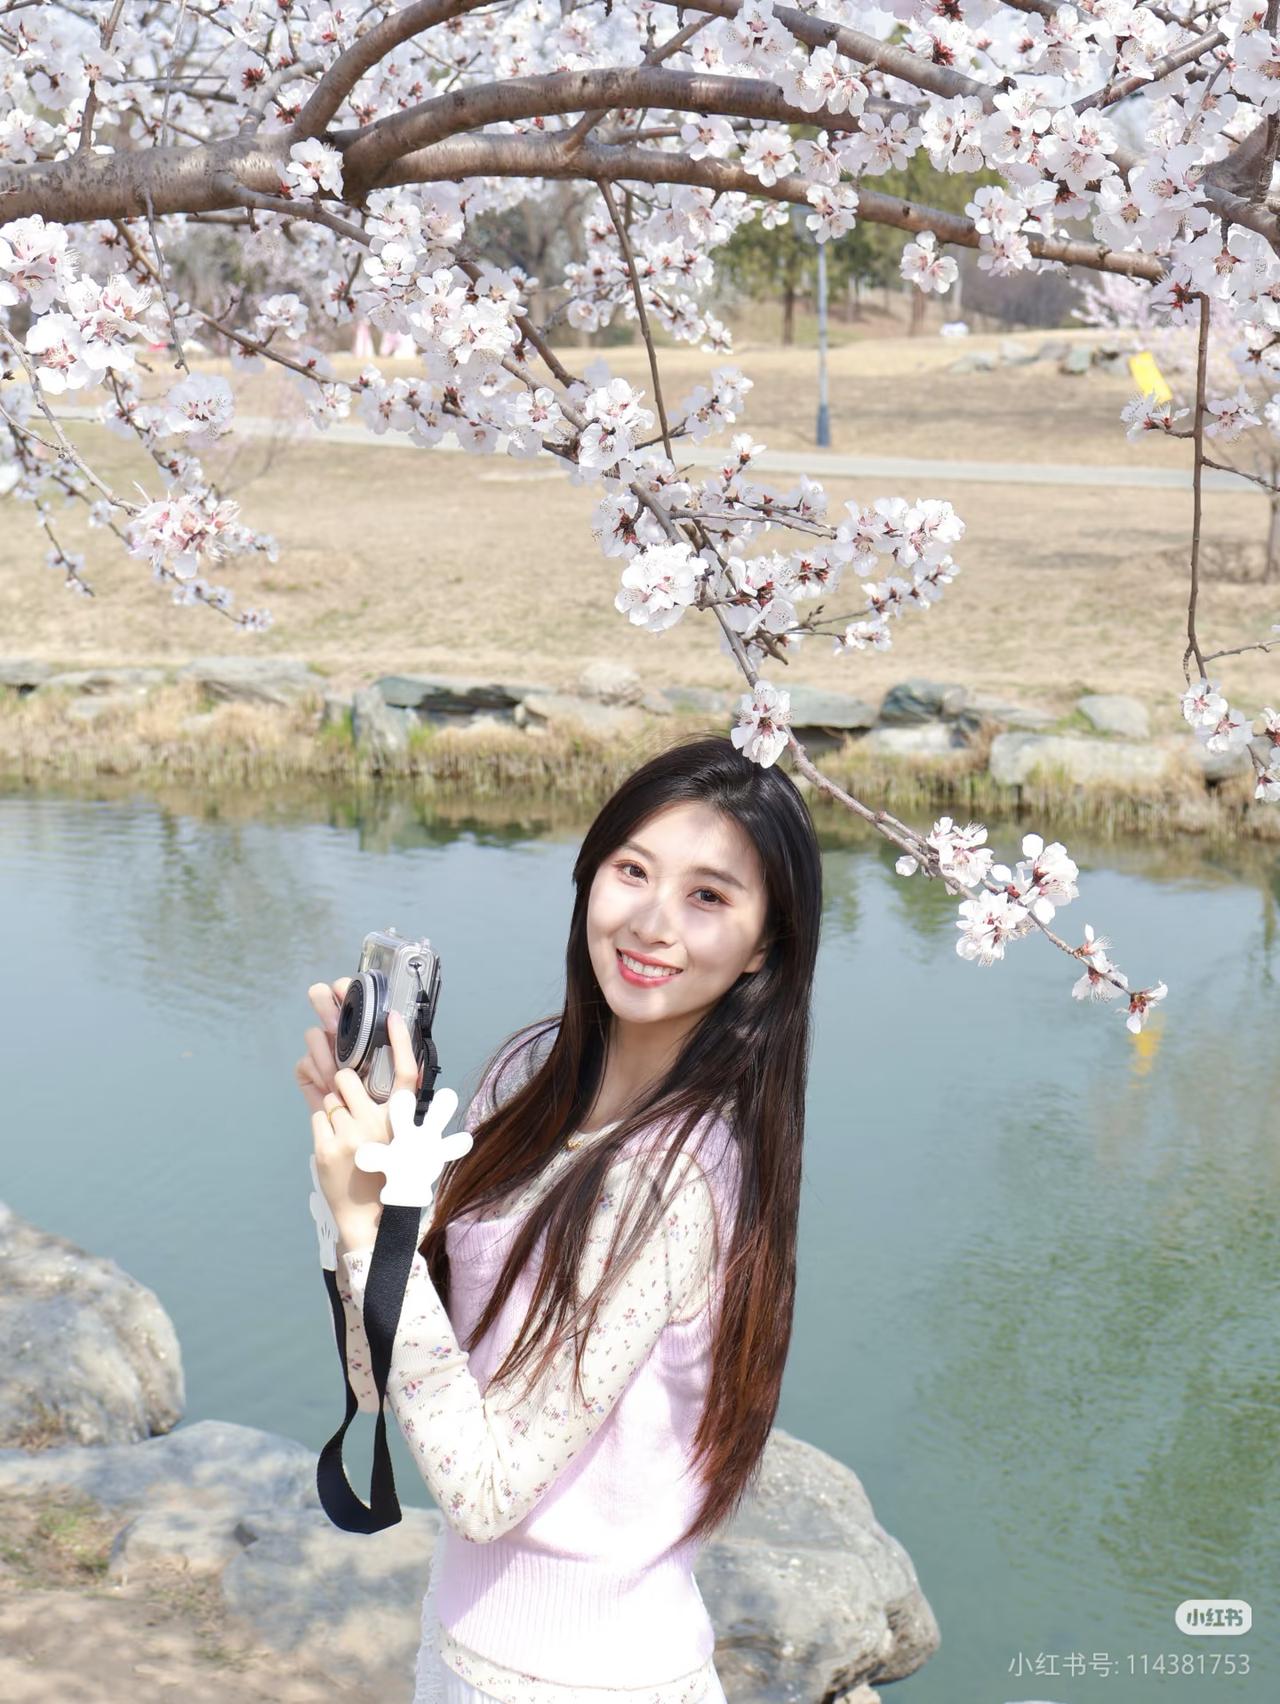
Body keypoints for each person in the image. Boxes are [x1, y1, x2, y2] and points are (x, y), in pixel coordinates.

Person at [297, 733, 823, 1702]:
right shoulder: (531, 1076)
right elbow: (385, 1381)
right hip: (460, 1648)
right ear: (589, 878)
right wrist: (360, 1171)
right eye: (632, 871)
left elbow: (486, 1490)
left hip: (594, 1680)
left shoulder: (680, 1180)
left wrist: (370, 1229)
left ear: (764, 948)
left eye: (708, 897)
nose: (652, 924)